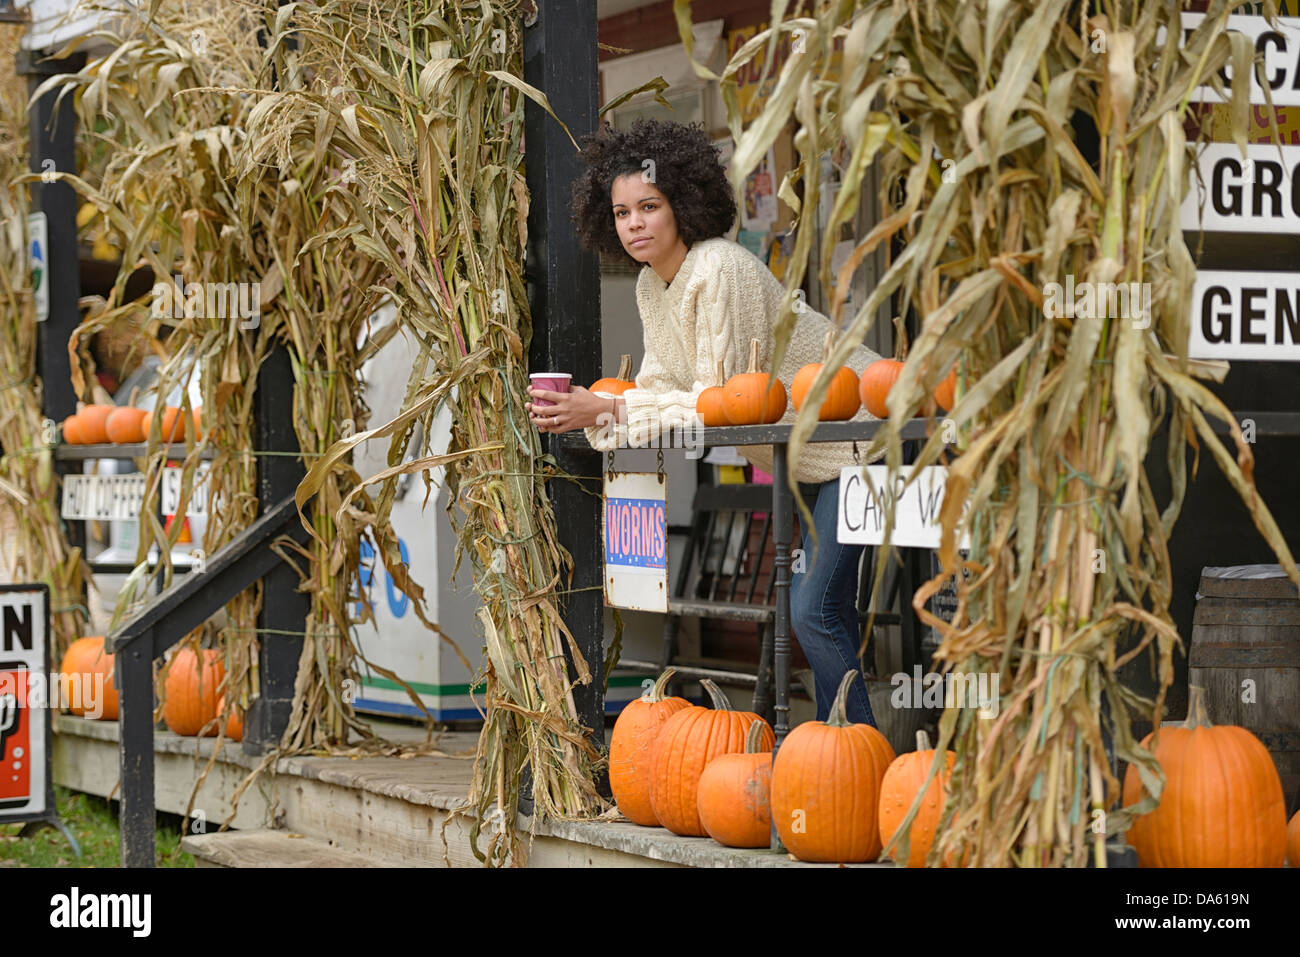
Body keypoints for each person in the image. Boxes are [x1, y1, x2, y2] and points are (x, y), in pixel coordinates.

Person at [524, 119, 885, 726]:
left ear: (683, 204)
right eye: (620, 212)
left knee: (813, 612)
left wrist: (611, 409)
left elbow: (720, 406)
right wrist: (598, 410)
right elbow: (666, 390)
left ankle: (856, 752)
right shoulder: (651, 283)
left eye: (649, 206)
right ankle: (839, 742)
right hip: (798, 457)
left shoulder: (720, 268)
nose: (634, 223)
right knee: (827, 611)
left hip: (859, 436)